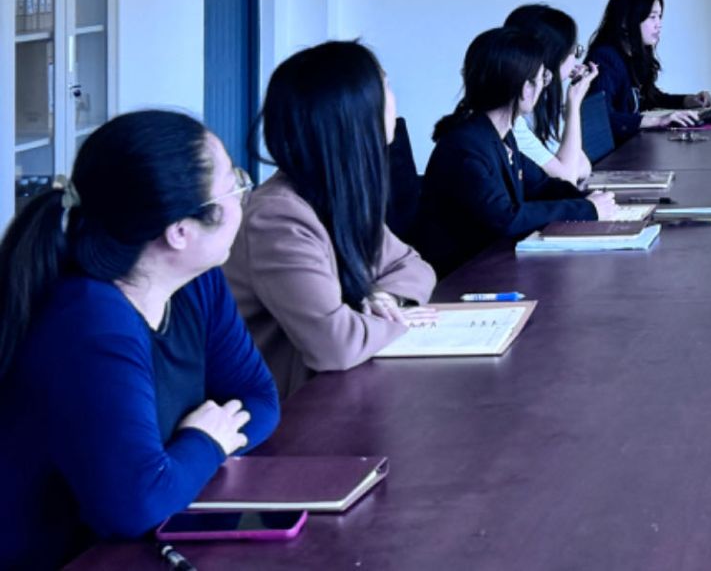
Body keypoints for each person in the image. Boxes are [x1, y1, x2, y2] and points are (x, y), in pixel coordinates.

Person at [0, 112, 280, 569]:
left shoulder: (196, 281)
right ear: (180, 231)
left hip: (139, 546)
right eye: (235, 186)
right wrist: (203, 443)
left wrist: (175, 466)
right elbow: (136, 504)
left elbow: (259, 399)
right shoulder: (92, 321)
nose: (243, 199)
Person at [224, 42, 437, 396]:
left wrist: (388, 299)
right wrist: (399, 322)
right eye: (385, 86)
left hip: (335, 392)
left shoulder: (337, 197)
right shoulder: (277, 217)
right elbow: (335, 346)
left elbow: (414, 266)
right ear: (353, 113)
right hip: (289, 412)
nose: (394, 98)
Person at [411, 28, 622, 275]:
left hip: (493, 264)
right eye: (542, 78)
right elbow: (505, 218)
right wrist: (585, 210)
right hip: (461, 277)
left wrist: (587, 200)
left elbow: (541, 186)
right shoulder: (465, 147)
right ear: (525, 88)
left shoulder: (501, 135)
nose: (545, 86)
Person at [586, 0, 711, 143]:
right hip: (613, 154)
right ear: (625, 21)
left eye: (659, 17)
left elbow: (649, 97)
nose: (659, 24)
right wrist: (658, 121)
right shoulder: (604, 58)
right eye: (652, 17)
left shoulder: (634, 55)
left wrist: (687, 100)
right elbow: (602, 117)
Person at [504, 4, 598, 186]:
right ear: (553, 57)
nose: (576, 60)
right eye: (575, 51)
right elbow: (568, 178)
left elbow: (583, 166)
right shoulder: (517, 115)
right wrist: (573, 104)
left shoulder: (543, 101)